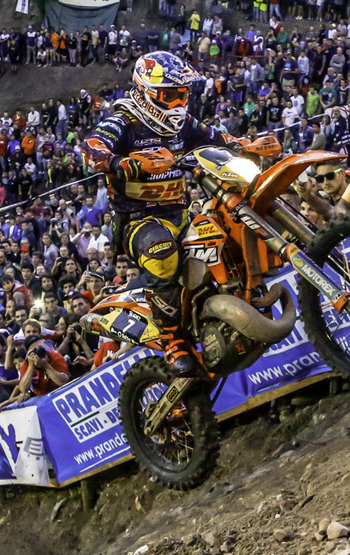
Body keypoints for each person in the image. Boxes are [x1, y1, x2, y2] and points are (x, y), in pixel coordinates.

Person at [80, 51, 239, 378]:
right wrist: (122, 163)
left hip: (179, 213)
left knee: (226, 226)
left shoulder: (182, 124)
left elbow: (216, 137)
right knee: (161, 252)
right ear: (146, 93)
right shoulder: (123, 121)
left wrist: (246, 144)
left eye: (182, 94)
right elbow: (91, 148)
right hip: (137, 222)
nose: (179, 103)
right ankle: (172, 340)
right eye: (170, 96)